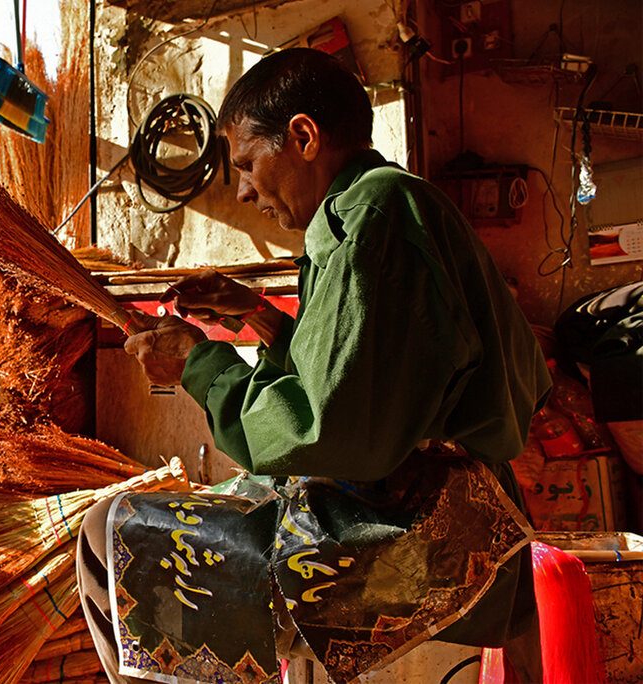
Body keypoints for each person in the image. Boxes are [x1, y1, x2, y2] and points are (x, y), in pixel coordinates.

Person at [77, 48, 551, 682]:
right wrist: (258, 315)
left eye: (246, 163)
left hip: (430, 531)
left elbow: (327, 430)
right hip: (432, 506)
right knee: (131, 530)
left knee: (115, 532)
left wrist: (197, 361)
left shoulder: (372, 217)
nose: (243, 189)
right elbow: (365, 372)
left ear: (302, 136)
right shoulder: (379, 207)